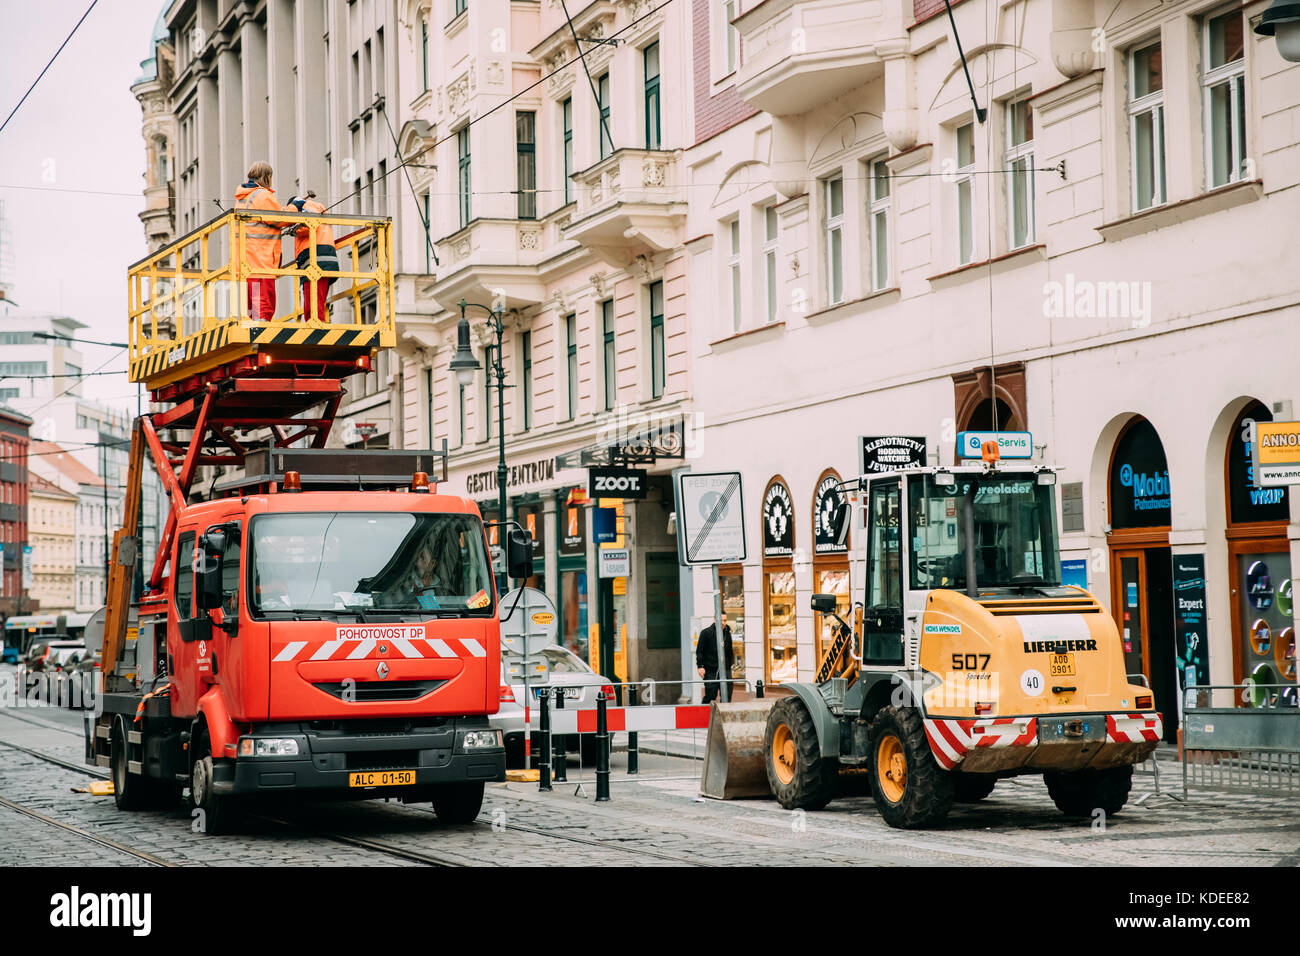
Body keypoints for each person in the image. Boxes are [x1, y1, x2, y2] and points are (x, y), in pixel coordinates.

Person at [233, 162, 286, 321]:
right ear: (267, 177)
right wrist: (295, 207)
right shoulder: (262, 195)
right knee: (264, 306)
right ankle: (261, 335)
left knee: (252, 307)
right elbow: (280, 220)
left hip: (246, 262)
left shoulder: (242, 198)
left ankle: (254, 332)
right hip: (261, 260)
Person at [284, 189, 339, 321]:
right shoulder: (316, 207)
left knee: (313, 307)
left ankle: (316, 331)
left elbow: (309, 224)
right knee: (315, 304)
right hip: (322, 260)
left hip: (316, 261)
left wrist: (293, 230)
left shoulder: (305, 208)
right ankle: (316, 327)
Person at [696, 612, 735, 705]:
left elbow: (730, 651)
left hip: (725, 669)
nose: (723, 622)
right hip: (710, 670)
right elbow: (700, 651)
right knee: (710, 695)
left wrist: (730, 666)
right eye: (721, 620)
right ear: (714, 620)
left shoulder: (727, 634)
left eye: (725, 620)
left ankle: (723, 715)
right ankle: (704, 713)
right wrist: (700, 666)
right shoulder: (706, 633)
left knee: (727, 695)